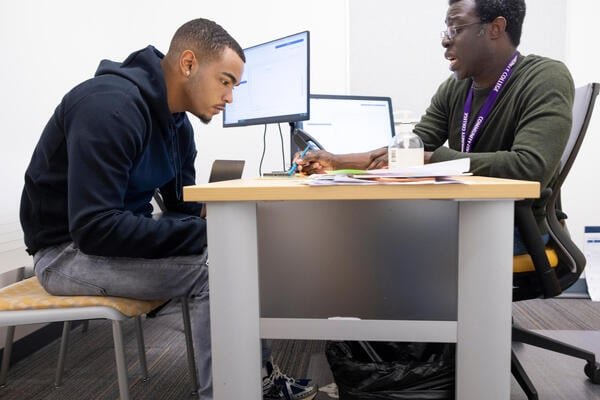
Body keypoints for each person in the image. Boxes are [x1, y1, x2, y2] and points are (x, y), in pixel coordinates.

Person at [20, 18, 316, 400]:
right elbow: (94, 228)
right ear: (189, 64)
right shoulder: (109, 107)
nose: (230, 98)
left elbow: (180, 203)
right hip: (65, 253)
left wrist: (230, 220)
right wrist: (211, 234)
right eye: (225, 81)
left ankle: (257, 381)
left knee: (237, 250)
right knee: (217, 270)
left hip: (107, 239)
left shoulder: (177, 124)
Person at [295, 0, 574, 254]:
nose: (445, 40)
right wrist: (335, 161)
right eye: (446, 30)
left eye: (456, 28)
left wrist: (433, 160)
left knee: (372, 243)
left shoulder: (545, 77)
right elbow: (407, 151)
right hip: (462, 215)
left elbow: (530, 167)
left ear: (495, 29)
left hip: (513, 225)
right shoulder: (455, 88)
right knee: (356, 228)